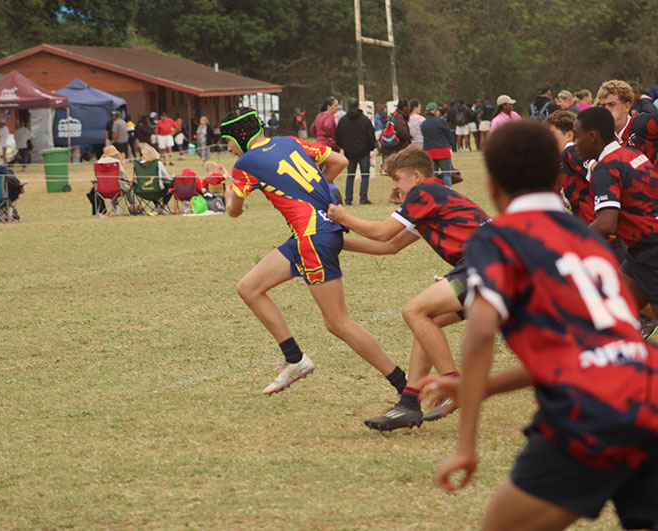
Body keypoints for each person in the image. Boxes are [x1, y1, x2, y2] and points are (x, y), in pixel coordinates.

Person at [425, 120, 658, 531]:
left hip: (594, 411)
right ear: (557, 179)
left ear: (492, 186)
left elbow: (480, 332)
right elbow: (581, 353)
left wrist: (465, 446)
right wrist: (481, 386)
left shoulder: (499, 238)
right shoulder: (589, 240)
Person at [220, 107, 408, 410]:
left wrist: (228, 191)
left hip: (312, 238)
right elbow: (339, 161)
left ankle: (405, 386)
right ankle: (294, 358)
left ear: (240, 135)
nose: (228, 147)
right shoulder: (288, 141)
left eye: (228, 140)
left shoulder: (245, 163)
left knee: (338, 323)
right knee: (249, 287)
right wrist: (315, 193)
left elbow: (234, 211)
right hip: (312, 234)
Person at [328, 145, 489, 431]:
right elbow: (390, 246)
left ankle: (453, 385)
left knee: (413, 310)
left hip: (489, 262)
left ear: (416, 176)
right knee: (426, 321)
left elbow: (382, 232)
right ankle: (409, 403)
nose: (394, 187)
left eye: (396, 179)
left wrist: (343, 218)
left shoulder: (424, 192)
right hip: (493, 265)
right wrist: (335, 243)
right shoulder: (432, 197)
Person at [574, 107, 658, 323]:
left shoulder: (605, 168)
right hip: (639, 250)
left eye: (577, 136)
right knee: (611, 312)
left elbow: (606, 224)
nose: (575, 144)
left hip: (650, 251)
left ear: (592, 136)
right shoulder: (633, 154)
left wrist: (570, 241)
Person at [335, 97, 376, 205]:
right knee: (365, 175)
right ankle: (363, 198)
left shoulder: (343, 120)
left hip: (349, 152)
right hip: (364, 152)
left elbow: (338, 136)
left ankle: (348, 199)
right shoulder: (365, 120)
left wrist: (344, 147)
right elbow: (371, 135)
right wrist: (371, 147)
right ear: (358, 105)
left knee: (350, 175)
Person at [421, 102, 455, 187]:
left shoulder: (423, 124)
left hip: (429, 151)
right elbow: (448, 135)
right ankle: (448, 191)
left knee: (433, 175)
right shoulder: (441, 121)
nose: (439, 112)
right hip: (442, 150)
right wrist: (451, 145)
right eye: (438, 110)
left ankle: (434, 191)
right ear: (435, 111)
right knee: (446, 174)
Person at [138, 144, 173, 210]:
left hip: (143, 190)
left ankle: (157, 205)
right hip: (157, 190)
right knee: (171, 184)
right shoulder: (158, 163)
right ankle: (163, 206)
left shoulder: (139, 164)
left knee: (152, 186)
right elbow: (167, 178)